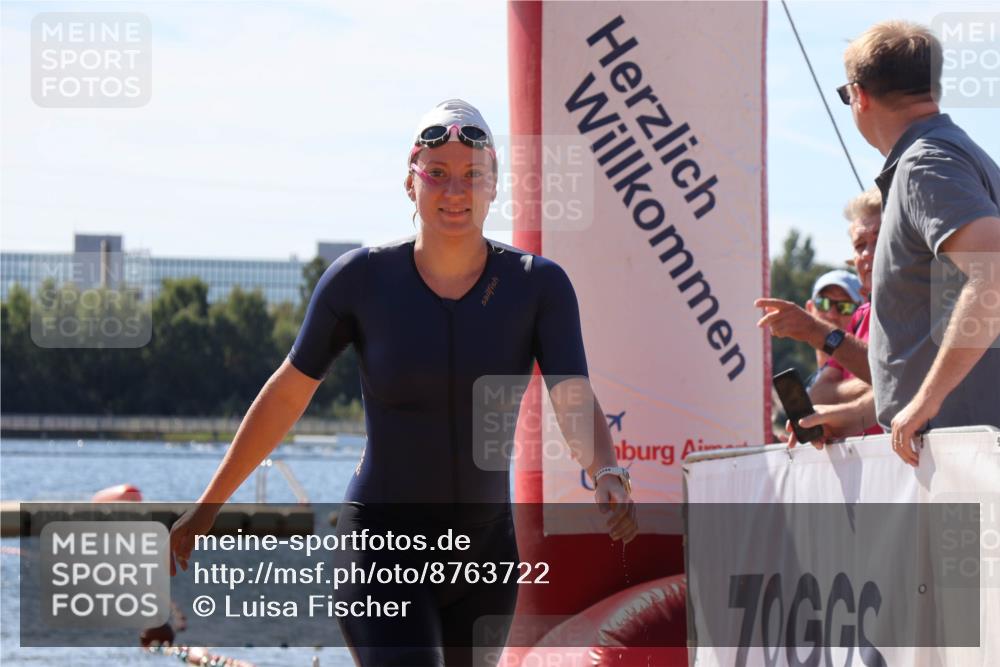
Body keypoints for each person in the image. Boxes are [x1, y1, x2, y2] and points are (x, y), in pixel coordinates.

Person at [169, 99, 638, 666]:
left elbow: (571, 397)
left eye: (472, 176)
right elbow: (288, 393)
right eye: (436, 174)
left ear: (494, 188)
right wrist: (208, 506)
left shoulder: (538, 288)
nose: (454, 191)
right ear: (410, 183)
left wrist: (606, 469)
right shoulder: (360, 281)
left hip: (485, 558)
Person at [805, 21, 1000, 464]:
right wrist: (859, 414)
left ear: (860, 95)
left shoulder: (926, 163)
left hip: (961, 455)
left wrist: (926, 402)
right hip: (958, 448)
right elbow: (933, 334)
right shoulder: (949, 156)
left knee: (969, 538)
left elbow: (994, 275)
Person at [804, 269, 863, 370]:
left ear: (862, 315)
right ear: (809, 309)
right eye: (822, 303)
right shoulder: (814, 381)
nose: (832, 315)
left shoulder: (865, 379)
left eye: (845, 307)